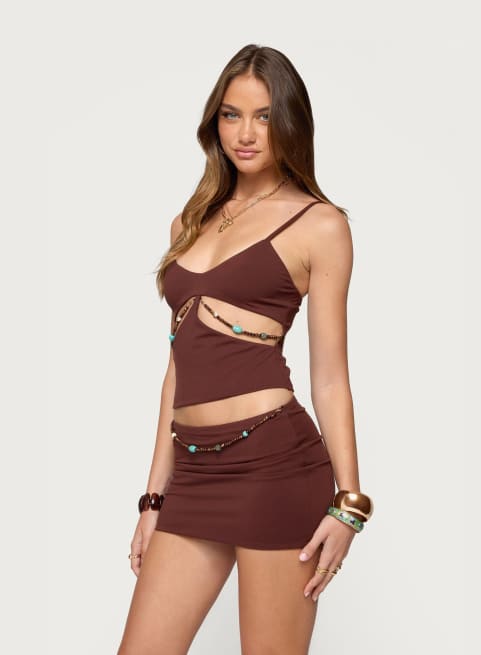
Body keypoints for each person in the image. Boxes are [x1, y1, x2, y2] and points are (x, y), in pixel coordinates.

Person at [117, 43, 374, 655]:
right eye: (231, 115)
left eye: (264, 116)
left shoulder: (320, 224)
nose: (246, 133)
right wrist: (154, 498)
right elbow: (177, 370)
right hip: (194, 474)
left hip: (274, 467)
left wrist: (349, 505)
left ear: (290, 122)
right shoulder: (189, 222)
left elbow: (330, 378)